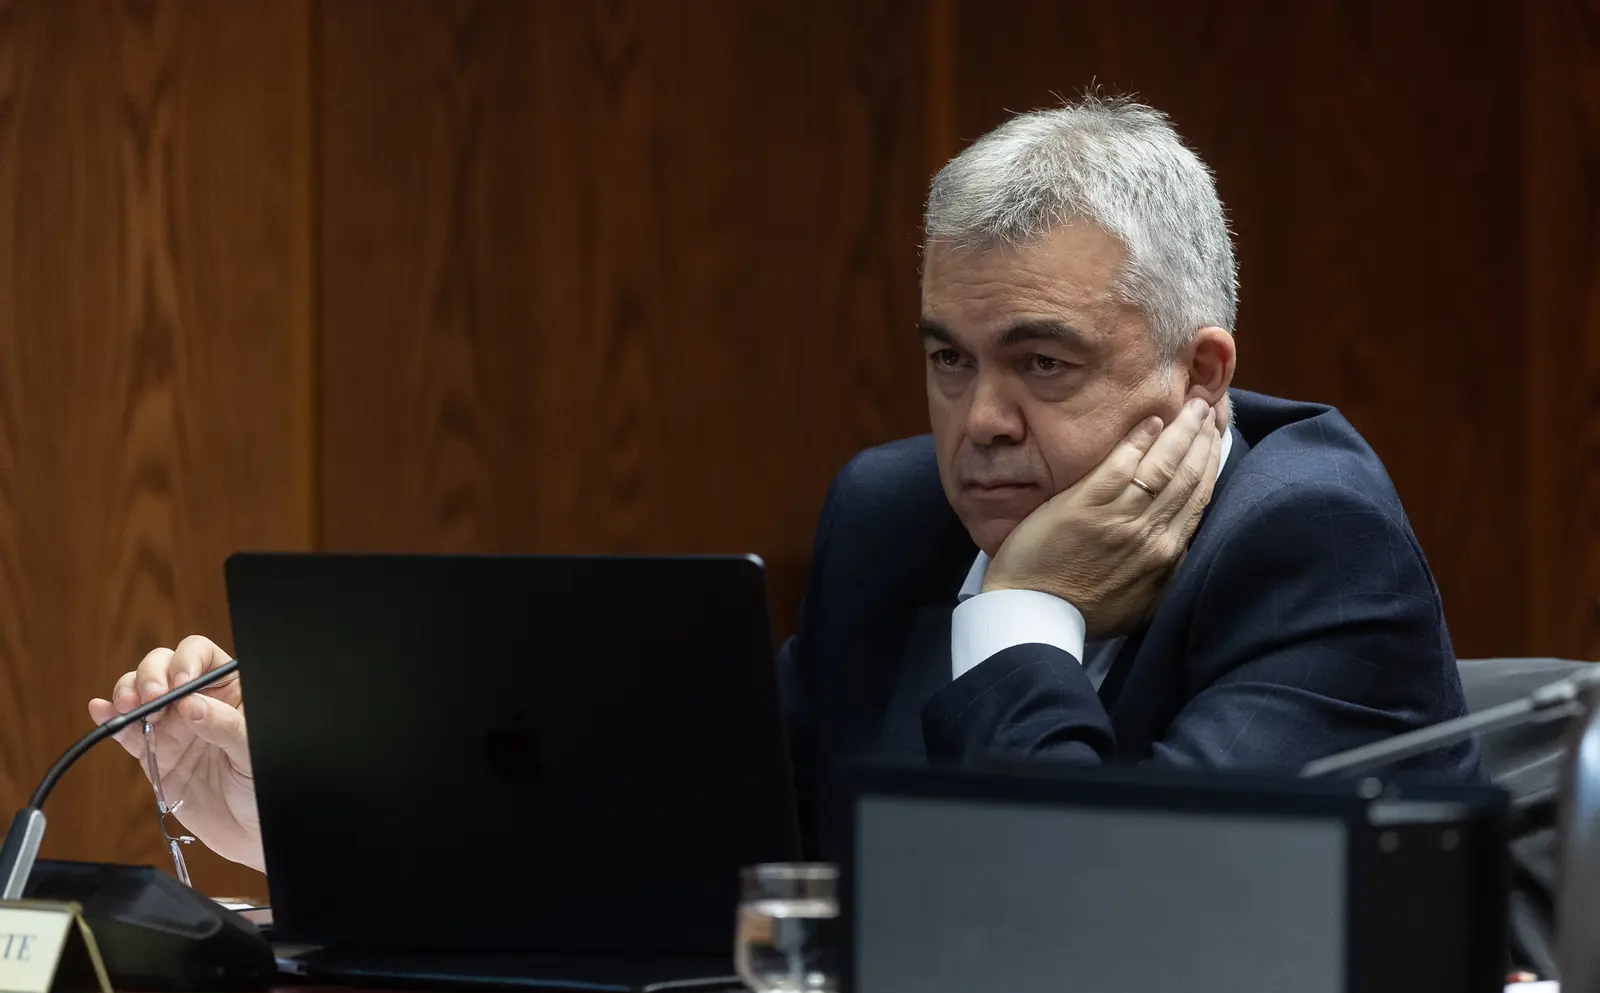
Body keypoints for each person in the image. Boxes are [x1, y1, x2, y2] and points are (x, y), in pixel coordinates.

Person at [89, 94, 1479, 872]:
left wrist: (1021, 617)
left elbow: (1107, 924)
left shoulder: (1311, 539)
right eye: (948, 360)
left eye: (1042, 363)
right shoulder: (894, 521)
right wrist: (310, 825)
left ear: (1199, 374)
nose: (980, 424)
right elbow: (700, 864)